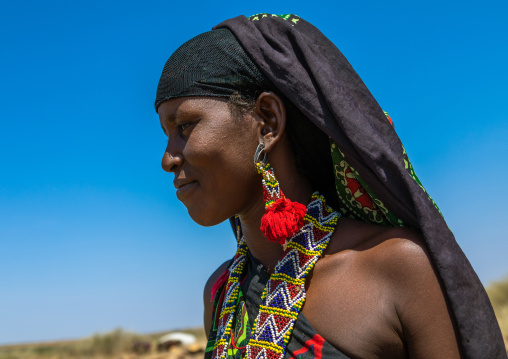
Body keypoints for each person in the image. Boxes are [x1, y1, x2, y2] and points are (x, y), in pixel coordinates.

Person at [154, 14, 506, 359]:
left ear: (267, 121)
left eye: (184, 126)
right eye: (166, 135)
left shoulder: (396, 268)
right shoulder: (220, 293)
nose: (167, 158)